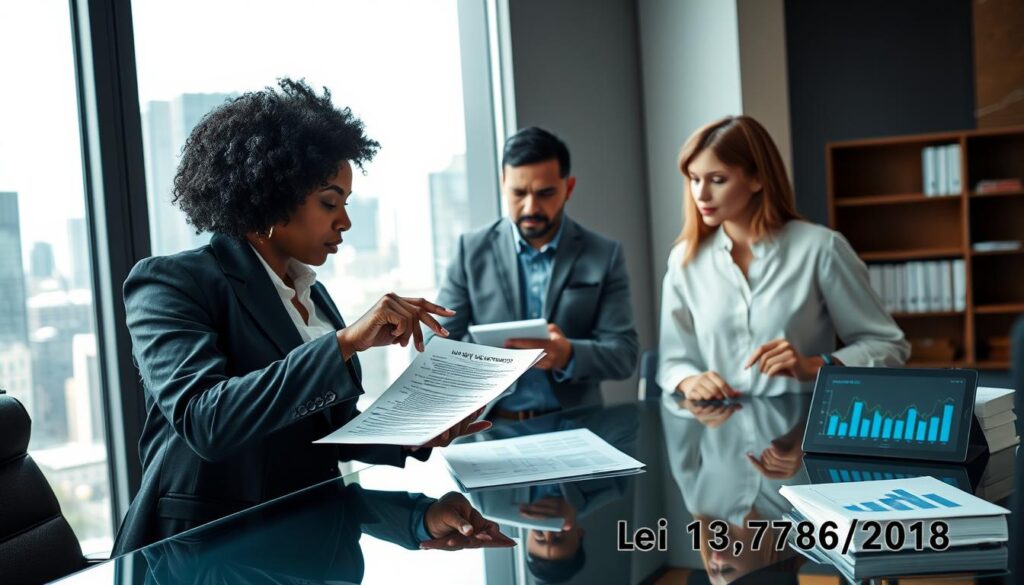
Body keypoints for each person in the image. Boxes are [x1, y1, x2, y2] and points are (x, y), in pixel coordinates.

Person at [112, 79, 495, 554]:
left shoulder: (311, 293)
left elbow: (321, 433)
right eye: (329, 202)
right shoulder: (169, 283)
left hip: (307, 539)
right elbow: (206, 421)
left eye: (345, 205)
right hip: (203, 553)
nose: (345, 222)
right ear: (273, 197)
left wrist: (416, 456)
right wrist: (344, 343)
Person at [657, 115, 909, 400]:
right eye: (694, 179)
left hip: (801, 433)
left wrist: (815, 365)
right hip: (720, 436)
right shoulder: (684, 261)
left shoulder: (820, 249)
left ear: (758, 178)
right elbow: (672, 361)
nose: (701, 194)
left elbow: (888, 345)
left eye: (717, 180)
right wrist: (690, 381)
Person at [430, 127, 639, 419]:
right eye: (519, 193)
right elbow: (434, 346)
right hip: (491, 428)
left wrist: (567, 355)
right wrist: (481, 357)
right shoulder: (470, 251)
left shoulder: (604, 254)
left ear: (569, 188)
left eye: (545, 193)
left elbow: (624, 355)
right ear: (503, 184)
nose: (531, 207)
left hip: (577, 426)